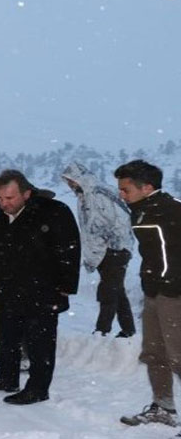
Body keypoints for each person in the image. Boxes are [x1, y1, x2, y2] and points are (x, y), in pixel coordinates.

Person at [0, 169, 80, 405]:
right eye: (0, 198)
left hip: (43, 289)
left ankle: (38, 388)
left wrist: (66, 286)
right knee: (6, 337)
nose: (4, 204)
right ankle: (6, 377)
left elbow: (70, 250)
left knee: (39, 343)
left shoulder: (53, 212)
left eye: (10, 198)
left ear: (27, 193)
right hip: (7, 287)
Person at [115, 160, 181, 430]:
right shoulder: (139, 211)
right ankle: (163, 406)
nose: (121, 194)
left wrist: (173, 281)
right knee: (154, 353)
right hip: (153, 292)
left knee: (179, 355)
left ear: (147, 187)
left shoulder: (172, 210)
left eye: (126, 189)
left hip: (176, 294)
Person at [61, 161, 136, 338]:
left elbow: (114, 221)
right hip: (106, 251)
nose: (71, 185)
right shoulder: (86, 195)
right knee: (117, 290)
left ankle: (102, 330)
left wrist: (110, 244)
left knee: (108, 291)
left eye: (71, 180)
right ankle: (128, 330)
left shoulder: (98, 194)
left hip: (113, 250)